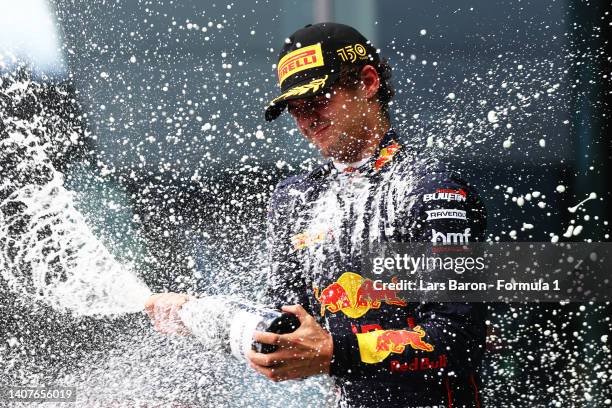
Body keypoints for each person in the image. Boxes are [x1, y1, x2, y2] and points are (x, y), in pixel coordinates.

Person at [146, 22, 487, 407]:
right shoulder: (295, 199)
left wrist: (334, 351)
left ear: (368, 82)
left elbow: (460, 337)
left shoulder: (431, 190)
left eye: (318, 98)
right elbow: (285, 324)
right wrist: (197, 315)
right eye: (295, 108)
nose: (307, 119)